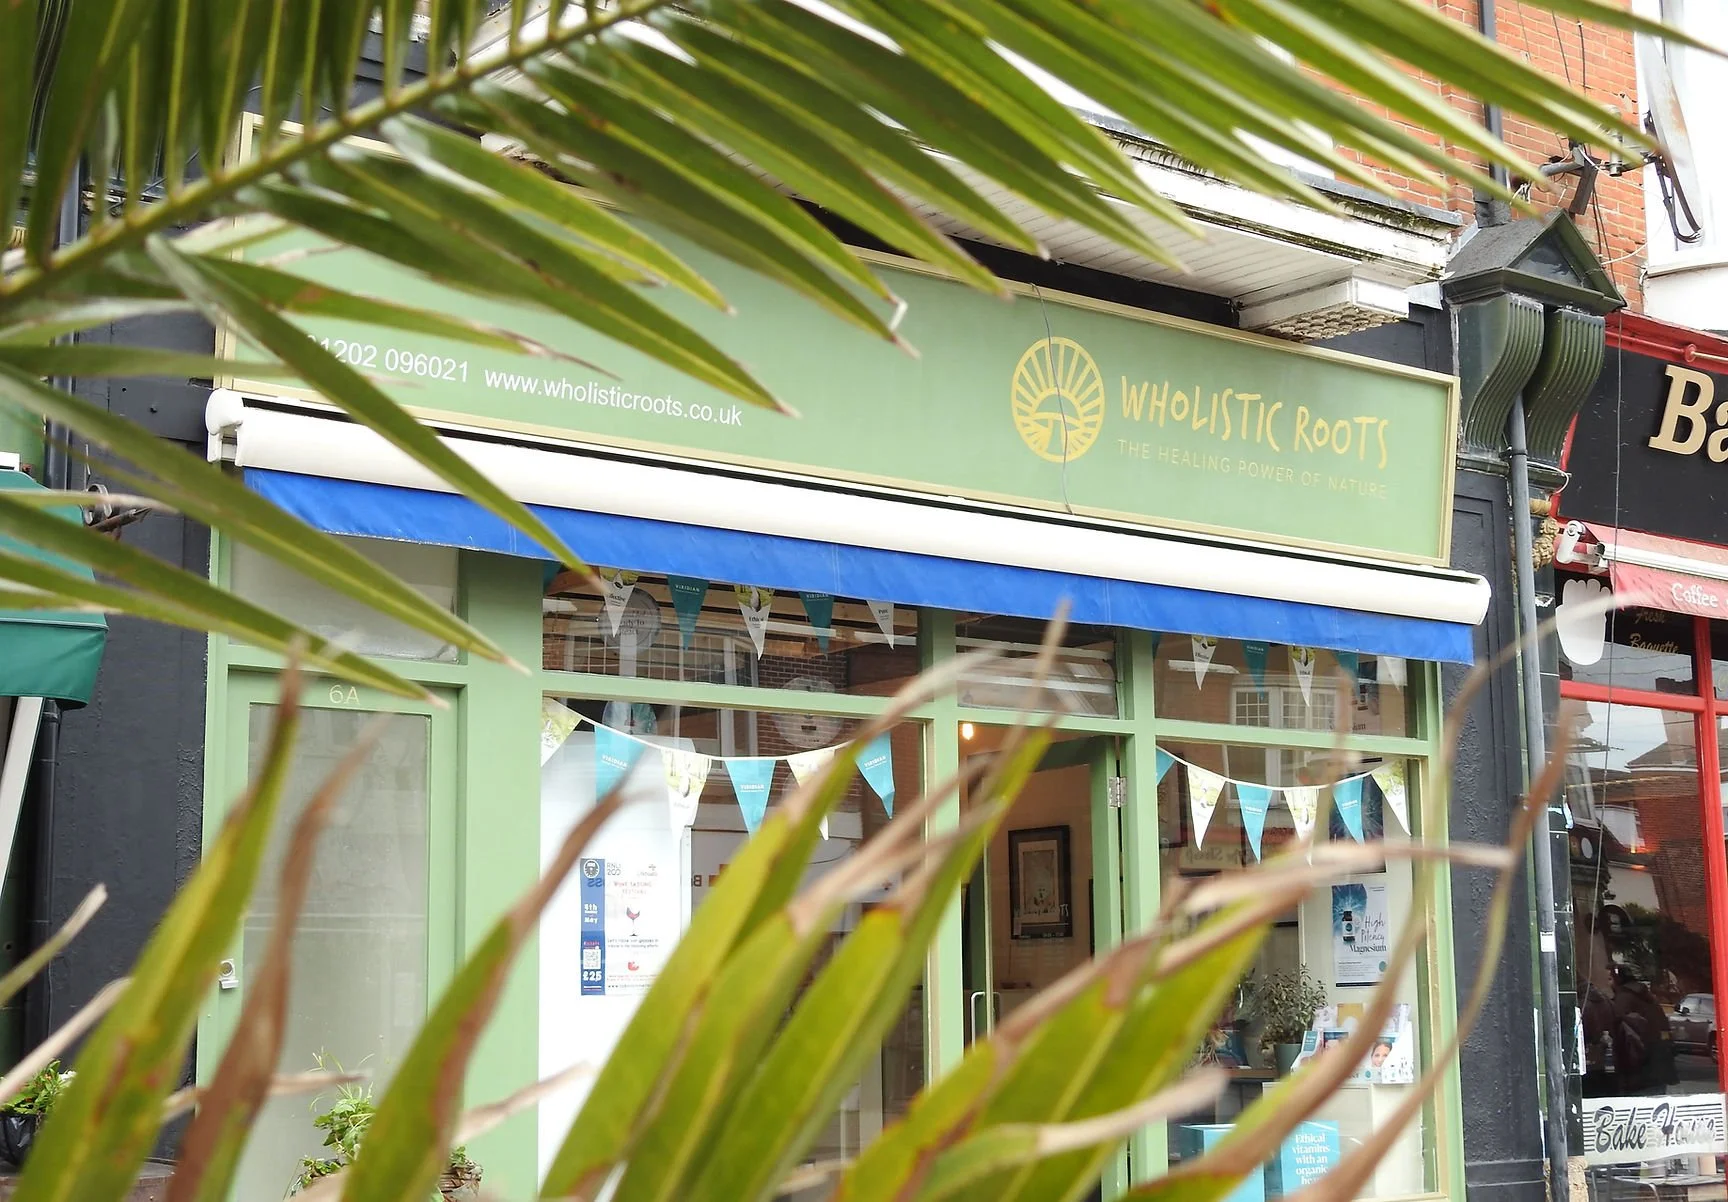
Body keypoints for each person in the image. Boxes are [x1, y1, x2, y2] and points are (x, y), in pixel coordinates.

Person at [1611, 965, 1677, 1092]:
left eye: (1610, 979)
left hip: (1636, 1065)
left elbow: (1619, 1027)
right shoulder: (1648, 997)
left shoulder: (1624, 998)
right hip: (1657, 1061)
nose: (1608, 984)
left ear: (1617, 980)